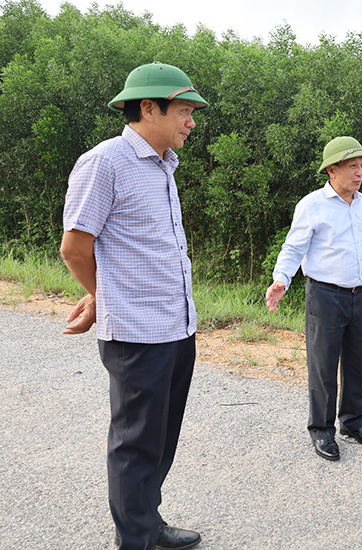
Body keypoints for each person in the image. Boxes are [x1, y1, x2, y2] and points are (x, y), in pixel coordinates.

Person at [60, 62, 208, 550]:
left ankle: (149, 522)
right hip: (137, 333)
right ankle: (136, 541)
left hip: (176, 326)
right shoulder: (105, 162)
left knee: (161, 438)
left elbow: (128, 251)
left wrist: (103, 288)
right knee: (135, 445)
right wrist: (105, 296)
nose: (191, 121)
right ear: (149, 107)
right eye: (185, 111)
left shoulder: (163, 165)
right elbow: (76, 247)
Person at [265, 136, 362, 462]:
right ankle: (322, 431)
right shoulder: (312, 205)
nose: (359, 172)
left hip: (359, 296)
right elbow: (293, 248)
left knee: (356, 363)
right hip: (325, 296)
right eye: (353, 166)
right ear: (332, 169)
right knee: (323, 367)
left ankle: (352, 422)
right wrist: (281, 279)